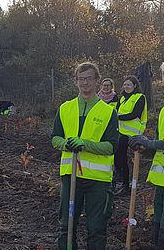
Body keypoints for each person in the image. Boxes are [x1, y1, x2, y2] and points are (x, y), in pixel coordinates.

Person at [51, 62, 118, 249]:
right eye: (81, 79)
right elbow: (55, 137)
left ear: (97, 81)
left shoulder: (108, 112)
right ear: (76, 81)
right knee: (66, 226)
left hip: (98, 180)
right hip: (70, 177)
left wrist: (86, 144)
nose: (85, 82)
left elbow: (111, 146)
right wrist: (65, 144)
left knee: (96, 229)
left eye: (89, 78)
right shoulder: (65, 108)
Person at [129, 107, 164, 249]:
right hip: (160, 180)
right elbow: (160, 143)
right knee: (158, 212)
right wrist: (146, 148)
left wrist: (147, 143)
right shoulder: (163, 111)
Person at [114, 76, 147, 196]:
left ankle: (134, 184)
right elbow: (116, 111)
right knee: (120, 158)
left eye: (129, 84)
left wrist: (118, 117)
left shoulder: (139, 97)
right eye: (125, 84)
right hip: (122, 132)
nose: (126, 87)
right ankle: (124, 184)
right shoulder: (122, 98)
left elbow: (135, 114)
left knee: (136, 161)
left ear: (135, 86)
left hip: (134, 134)